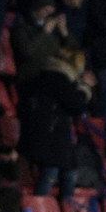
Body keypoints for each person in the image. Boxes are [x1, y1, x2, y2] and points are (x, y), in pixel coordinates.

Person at [18, 48, 92, 197]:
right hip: (53, 136)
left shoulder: (43, 76)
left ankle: (59, 211)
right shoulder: (59, 79)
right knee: (52, 174)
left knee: (64, 172)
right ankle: (46, 210)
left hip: (48, 134)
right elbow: (75, 105)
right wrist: (85, 88)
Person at [9, 0, 70, 84]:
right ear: (35, 10)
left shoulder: (53, 32)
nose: (48, 15)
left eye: (51, 12)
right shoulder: (22, 29)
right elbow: (27, 51)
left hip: (51, 75)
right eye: (46, 11)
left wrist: (64, 32)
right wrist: (44, 32)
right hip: (30, 78)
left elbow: (72, 51)